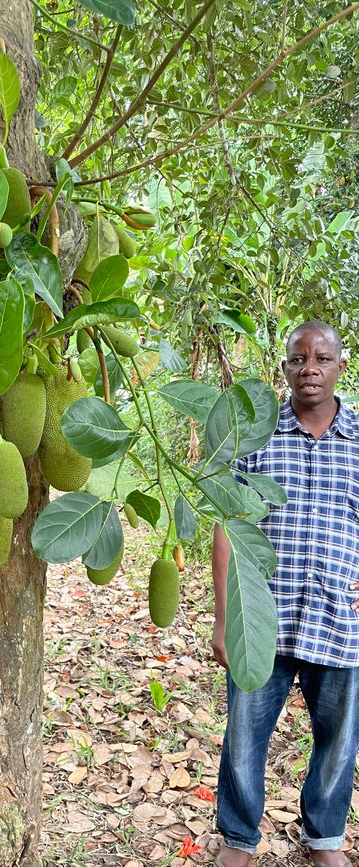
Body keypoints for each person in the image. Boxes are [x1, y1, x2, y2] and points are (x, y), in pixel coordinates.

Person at [211, 321, 359, 867]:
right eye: (298, 359)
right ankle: (238, 838)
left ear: (341, 366)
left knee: (339, 741)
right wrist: (226, 614)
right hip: (262, 617)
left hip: (338, 619)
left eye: (322, 358)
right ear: (285, 369)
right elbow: (227, 522)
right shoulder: (257, 436)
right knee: (244, 737)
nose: (310, 369)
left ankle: (323, 838)